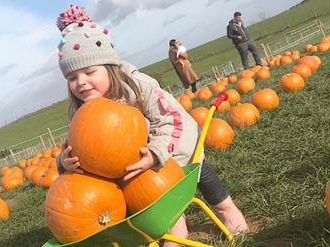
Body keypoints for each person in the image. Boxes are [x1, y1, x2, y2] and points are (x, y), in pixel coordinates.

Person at [55, 5, 248, 246]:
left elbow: (173, 119)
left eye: (89, 72)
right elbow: (75, 146)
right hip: (135, 173)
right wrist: (64, 162)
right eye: (72, 78)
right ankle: (175, 232)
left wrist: (157, 152)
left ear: (109, 67)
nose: (81, 83)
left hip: (171, 150)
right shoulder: (81, 111)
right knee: (159, 205)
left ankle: (226, 210)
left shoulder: (136, 86)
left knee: (198, 171)